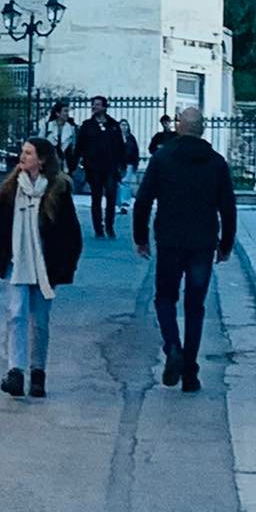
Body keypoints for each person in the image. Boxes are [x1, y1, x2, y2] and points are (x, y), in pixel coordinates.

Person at [134, 106, 236, 393]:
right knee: (195, 306)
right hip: (202, 242)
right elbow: (228, 207)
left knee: (165, 298)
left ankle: (172, 346)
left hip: (169, 240)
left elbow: (143, 201)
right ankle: (190, 372)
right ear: (202, 129)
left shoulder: (162, 158)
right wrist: (226, 244)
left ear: (179, 127)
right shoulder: (216, 163)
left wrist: (140, 237)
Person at [0, 136, 83, 398]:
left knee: (39, 321)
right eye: (22, 152)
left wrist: (64, 267)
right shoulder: (10, 190)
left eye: (29, 153)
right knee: (16, 315)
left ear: (41, 160)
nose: (22, 156)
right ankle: (15, 371)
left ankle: (38, 373)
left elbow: (71, 234)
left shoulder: (57, 191)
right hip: (16, 263)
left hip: (44, 267)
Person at [71, 95, 129, 238]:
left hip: (110, 167)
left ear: (104, 107)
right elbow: (79, 147)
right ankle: (98, 227)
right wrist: (74, 165)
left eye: (97, 104)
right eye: (93, 104)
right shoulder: (87, 126)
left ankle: (109, 225)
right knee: (96, 197)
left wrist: (122, 165)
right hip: (93, 168)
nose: (94, 107)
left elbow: (120, 147)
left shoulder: (113, 125)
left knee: (111, 195)